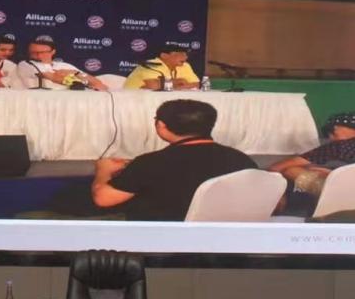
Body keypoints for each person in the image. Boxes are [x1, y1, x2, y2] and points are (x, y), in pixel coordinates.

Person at [90, 99, 255, 221]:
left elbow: (104, 199)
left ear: (161, 125)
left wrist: (104, 170)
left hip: (160, 243)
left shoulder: (151, 162)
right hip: (227, 241)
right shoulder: (240, 159)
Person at [267, 112, 355, 207]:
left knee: (291, 170)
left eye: (330, 133)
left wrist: (277, 195)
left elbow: (276, 167)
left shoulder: (340, 145)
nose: (331, 138)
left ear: (336, 128)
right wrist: (334, 173)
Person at [17, 38, 108, 91]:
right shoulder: (26, 64)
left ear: (53, 52)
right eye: (34, 52)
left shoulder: (64, 65)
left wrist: (75, 73)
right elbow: (53, 77)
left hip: (75, 98)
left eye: (43, 52)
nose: (38, 55)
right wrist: (77, 79)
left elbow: (96, 82)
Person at [123, 44, 201, 90]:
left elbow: (196, 85)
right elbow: (153, 86)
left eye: (185, 55)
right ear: (164, 55)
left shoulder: (185, 66)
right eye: (179, 54)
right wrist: (180, 81)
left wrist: (172, 86)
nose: (185, 57)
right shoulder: (150, 65)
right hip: (133, 99)